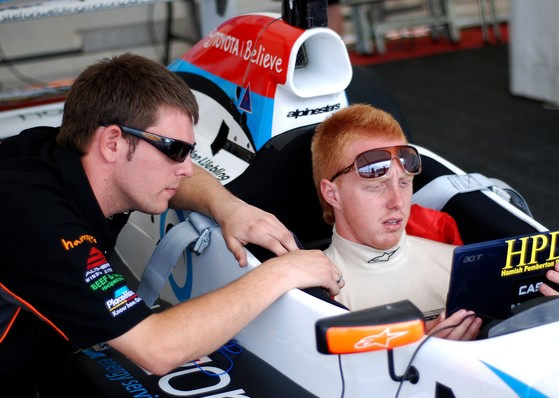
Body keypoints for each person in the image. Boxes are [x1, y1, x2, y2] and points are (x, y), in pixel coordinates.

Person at [0, 53, 344, 393]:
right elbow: (157, 348)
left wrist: (227, 206)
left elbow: (181, 178)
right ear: (112, 142)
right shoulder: (37, 219)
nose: (187, 169)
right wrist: (282, 274)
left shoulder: (62, 153)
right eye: (176, 150)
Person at [310, 103, 559, 340]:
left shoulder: (468, 265)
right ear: (332, 193)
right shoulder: (316, 296)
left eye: (405, 182)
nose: (397, 201)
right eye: (376, 186)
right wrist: (421, 355)